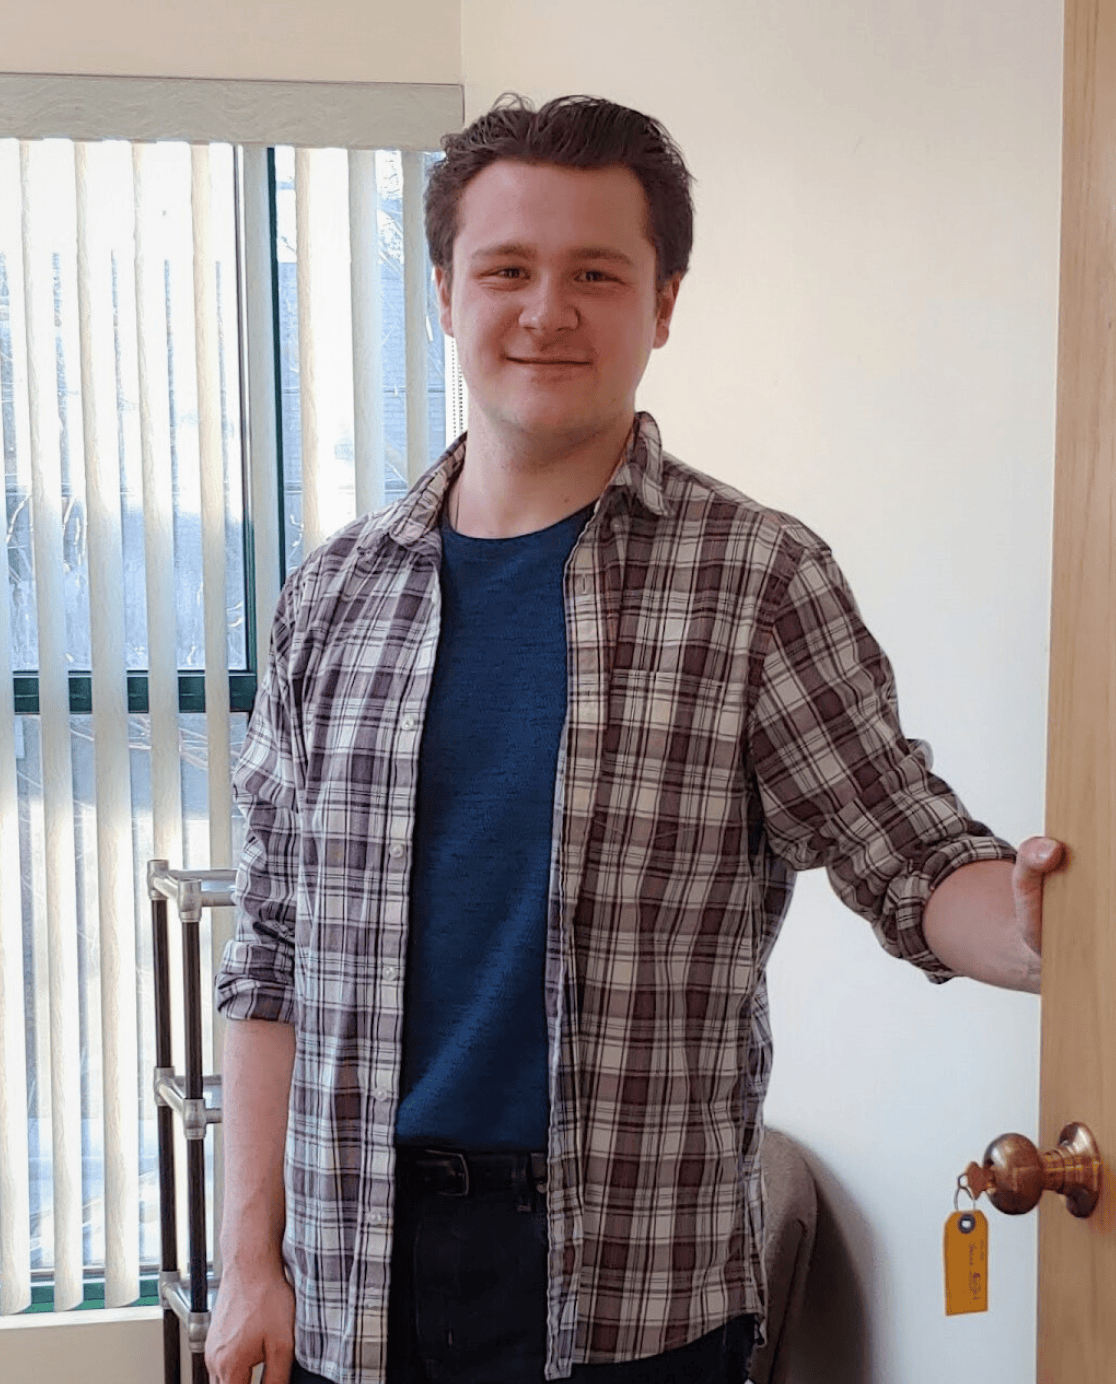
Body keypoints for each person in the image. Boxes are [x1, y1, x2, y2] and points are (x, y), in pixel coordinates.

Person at [205, 95, 1062, 1384]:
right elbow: (268, 956)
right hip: (351, 1280)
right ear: (445, 291)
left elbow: (909, 855)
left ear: (663, 304)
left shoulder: (759, 579)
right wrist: (248, 1263)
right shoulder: (332, 600)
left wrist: (1057, 933)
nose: (547, 310)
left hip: (639, 1293)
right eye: (507, 269)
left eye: (596, 274)